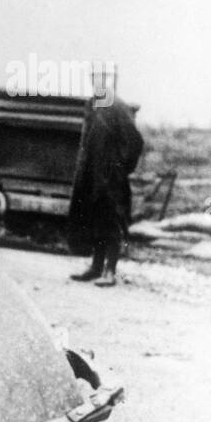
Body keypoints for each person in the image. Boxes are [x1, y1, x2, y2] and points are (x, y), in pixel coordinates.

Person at [68, 95, 144, 287]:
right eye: (94, 77)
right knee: (95, 220)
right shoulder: (92, 105)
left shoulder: (118, 107)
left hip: (112, 178)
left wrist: (120, 168)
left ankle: (110, 271)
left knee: (111, 222)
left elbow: (135, 141)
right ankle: (96, 267)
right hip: (92, 176)